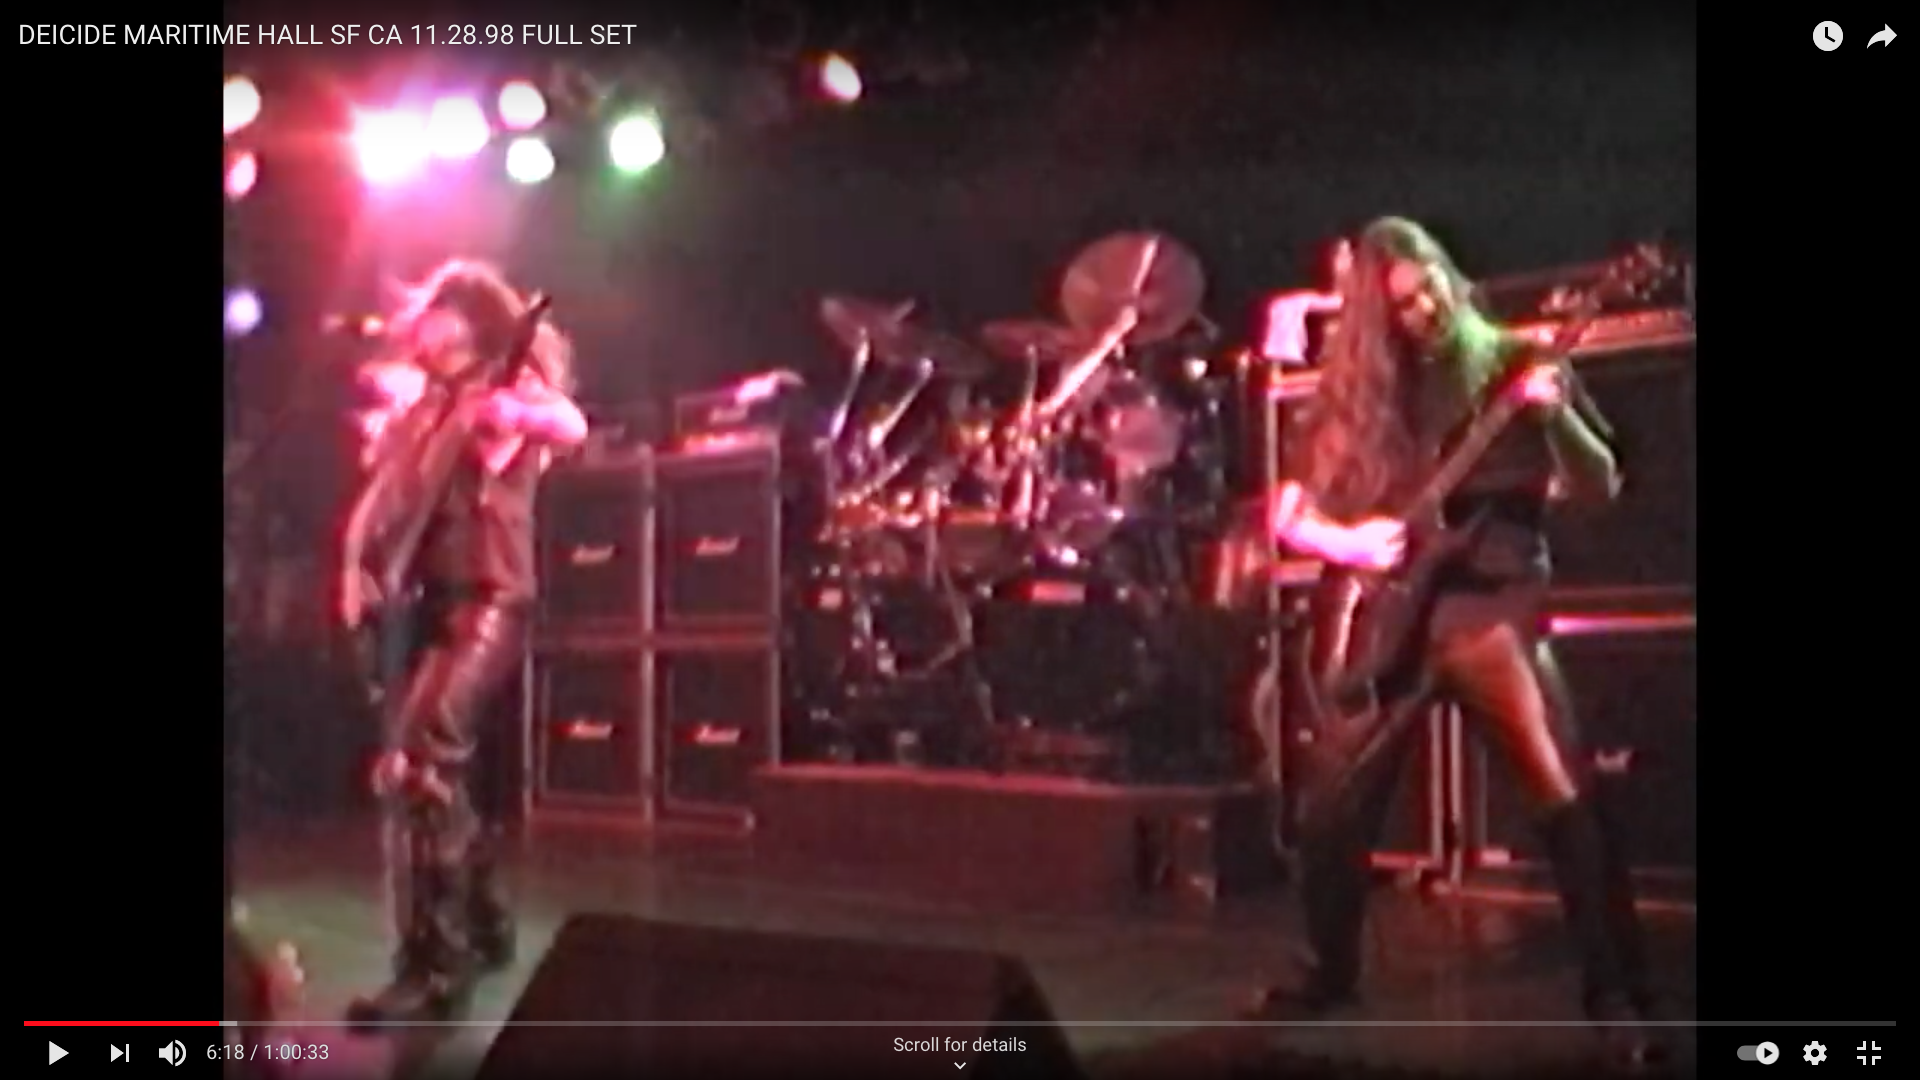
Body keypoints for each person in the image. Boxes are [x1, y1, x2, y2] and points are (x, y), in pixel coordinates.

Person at [1248, 218, 1660, 1066]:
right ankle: (1328, 971)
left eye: (1431, 285)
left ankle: (1618, 996)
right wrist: (1345, 541)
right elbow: (1284, 514)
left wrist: (1556, 418)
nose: (1426, 308)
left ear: (1450, 275)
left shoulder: (1514, 359)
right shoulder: (1360, 389)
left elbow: (1600, 482)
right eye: (1402, 304)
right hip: (1384, 612)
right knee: (1329, 810)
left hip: (1485, 608)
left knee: (1566, 800)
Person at [339, 259, 588, 1027]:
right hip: (430, 602)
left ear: (468, 321)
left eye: (436, 313)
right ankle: (484, 921)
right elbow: (383, 502)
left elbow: (569, 426)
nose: (420, 327)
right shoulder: (426, 408)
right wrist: (353, 566)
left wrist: (515, 416)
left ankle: (435, 967)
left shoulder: (509, 388)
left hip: (492, 599)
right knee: (425, 773)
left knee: (423, 761)